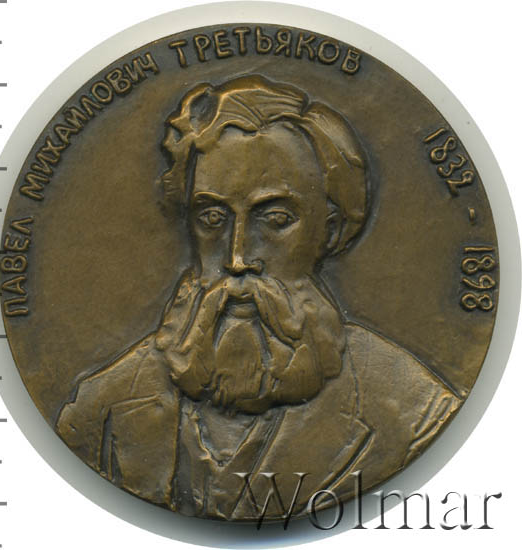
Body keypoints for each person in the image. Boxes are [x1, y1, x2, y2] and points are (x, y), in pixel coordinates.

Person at [56, 75, 460, 521]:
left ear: (329, 231)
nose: (238, 257)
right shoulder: (100, 408)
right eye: (213, 218)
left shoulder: (413, 413)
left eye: (276, 219)